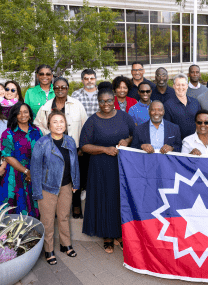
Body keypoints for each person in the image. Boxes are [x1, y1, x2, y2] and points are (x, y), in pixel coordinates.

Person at [80, 90, 135, 254]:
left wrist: (127, 140)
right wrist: (104, 149)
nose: (106, 104)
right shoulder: (92, 121)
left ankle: (119, 234)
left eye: (109, 100)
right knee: (104, 200)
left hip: (122, 166)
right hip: (100, 166)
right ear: (98, 102)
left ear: (114, 100)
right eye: (102, 101)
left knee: (120, 199)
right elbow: (84, 145)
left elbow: (134, 134)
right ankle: (107, 237)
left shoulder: (124, 117)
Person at [31, 111, 80, 265]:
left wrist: (75, 183)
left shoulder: (70, 141)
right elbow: (36, 169)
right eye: (55, 122)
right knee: (47, 220)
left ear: (65, 124)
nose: (59, 125)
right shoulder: (42, 143)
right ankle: (48, 249)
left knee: (64, 217)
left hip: (66, 186)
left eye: (61, 122)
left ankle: (65, 245)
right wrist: (37, 191)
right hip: (48, 188)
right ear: (49, 125)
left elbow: (75, 163)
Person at [0, 103, 43, 217]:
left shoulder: (37, 131)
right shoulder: (8, 133)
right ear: (14, 115)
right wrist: (26, 172)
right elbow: (8, 157)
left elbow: (43, 152)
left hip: (35, 174)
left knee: (34, 206)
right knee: (14, 208)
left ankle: (33, 232)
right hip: (15, 175)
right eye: (19, 112)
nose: (22, 115)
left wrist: (34, 172)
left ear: (30, 114)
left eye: (25, 112)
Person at [68, 69, 99, 220]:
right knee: (79, 169)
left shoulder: (102, 94)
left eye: (92, 78)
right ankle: (78, 200)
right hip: (81, 138)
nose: (89, 81)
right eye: (86, 78)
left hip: (99, 139)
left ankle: (89, 191)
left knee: (94, 169)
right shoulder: (76, 95)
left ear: (95, 79)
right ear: (82, 80)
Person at [34, 77, 88, 146]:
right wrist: (49, 133)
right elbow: (37, 126)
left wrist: (82, 146)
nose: (60, 89)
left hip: (74, 147)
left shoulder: (77, 105)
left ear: (67, 88)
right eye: (57, 87)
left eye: (63, 87)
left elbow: (85, 127)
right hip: (52, 147)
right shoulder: (45, 107)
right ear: (53, 89)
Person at [163, 75, 202, 140]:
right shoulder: (167, 105)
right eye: (178, 85)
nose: (181, 87)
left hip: (195, 142)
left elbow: (200, 122)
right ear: (174, 86)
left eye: (183, 85)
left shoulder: (195, 102)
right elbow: (167, 128)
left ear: (187, 86)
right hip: (178, 144)